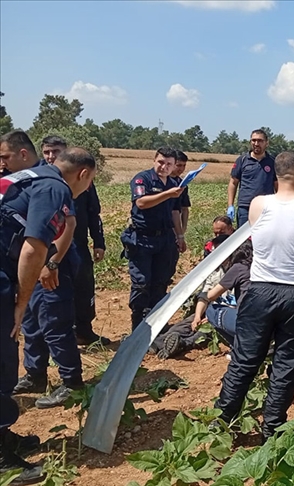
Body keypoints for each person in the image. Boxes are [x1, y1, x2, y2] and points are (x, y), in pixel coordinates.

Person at [214, 150, 294, 440]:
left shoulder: (257, 204)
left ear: (276, 175)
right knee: (286, 365)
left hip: (259, 292)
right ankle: (272, 429)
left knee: (244, 360)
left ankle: (219, 423)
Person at [0, 133, 96, 483]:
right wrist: (21, 303)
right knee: (1, 358)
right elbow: (32, 249)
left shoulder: (28, 178)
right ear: (83, 175)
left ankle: (3, 437)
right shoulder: (56, 189)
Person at [41, 136, 110, 347]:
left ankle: (84, 330)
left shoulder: (84, 180)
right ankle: (62, 337)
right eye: (47, 152)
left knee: (84, 287)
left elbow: (93, 212)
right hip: (51, 247)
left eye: (56, 152)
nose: (52, 156)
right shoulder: (41, 181)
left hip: (77, 244)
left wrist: (98, 241)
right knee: (57, 291)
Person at [120, 147, 187, 332]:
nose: (164, 167)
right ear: (154, 161)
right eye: (161, 162)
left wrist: (180, 236)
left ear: (173, 166)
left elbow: (175, 211)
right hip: (142, 239)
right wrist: (168, 194)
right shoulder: (143, 179)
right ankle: (138, 325)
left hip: (164, 239)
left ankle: (157, 323)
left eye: (168, 164)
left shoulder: (173, 183)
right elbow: (141, 202)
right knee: (141, 283)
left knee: (161, 282)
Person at [152, 236, 249, 359]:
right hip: (213, 310)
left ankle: (182, 344)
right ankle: (159, 343)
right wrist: (198, 316)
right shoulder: (215, 271)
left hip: (225, 314)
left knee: (204, 332)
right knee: (186, 323)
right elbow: (204, 296)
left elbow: (227, 300)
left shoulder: (237, 269)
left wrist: (211, 317)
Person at [227, 129, 276, 227]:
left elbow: (277, 184)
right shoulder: (242, 160)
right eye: (253, 140)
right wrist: (230, 205)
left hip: (266, 208)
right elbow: (233, 183)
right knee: (244, 240)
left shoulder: (273, 162)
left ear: (267, 143)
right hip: (245, 208)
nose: (256, 143)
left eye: (260, 141)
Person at [169, 150, 192, 235]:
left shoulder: (182, 184)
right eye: (178, 165)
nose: (181, 169)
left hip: (176, 225)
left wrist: (183, 228)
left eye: (184, 165)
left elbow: (184, 208)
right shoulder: (162, 181)